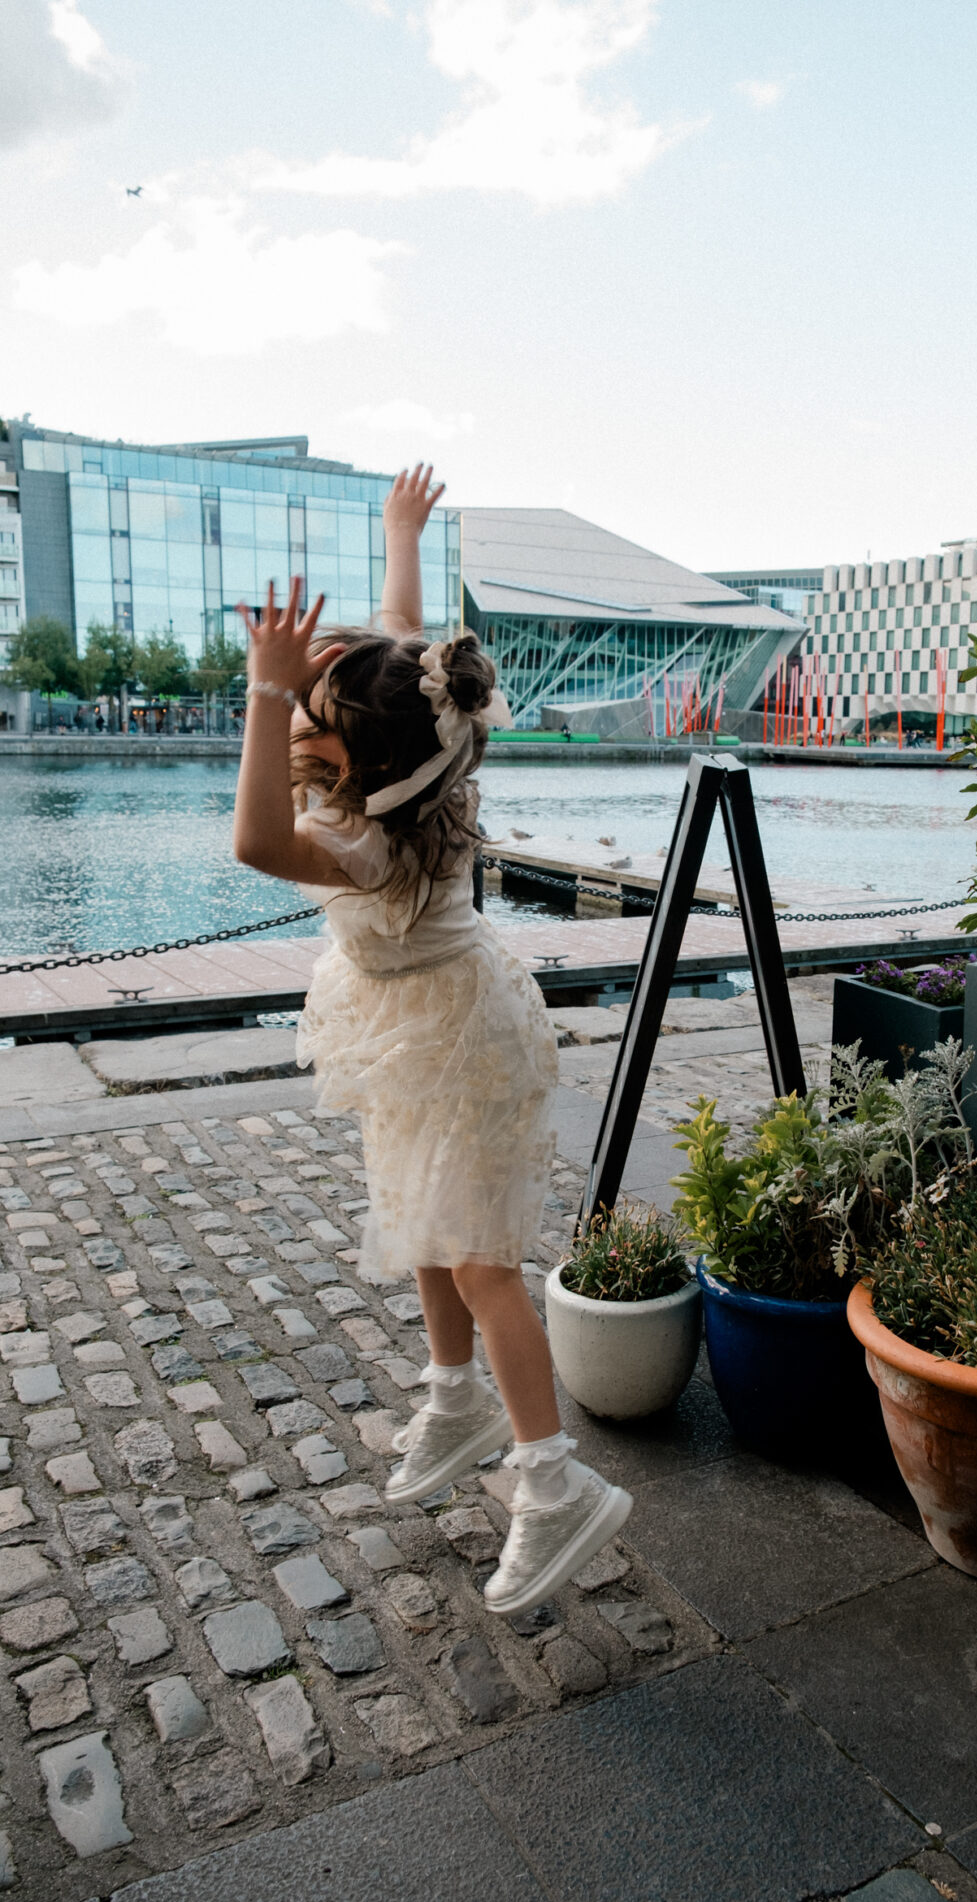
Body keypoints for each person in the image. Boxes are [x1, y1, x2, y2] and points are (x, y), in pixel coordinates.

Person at [231, 465, 632, 1616]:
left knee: (479, 1255)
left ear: (360, 764)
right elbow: (404, 639)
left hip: (457, 1037)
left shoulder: (359, 843)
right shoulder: (423, 764)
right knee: (419, 1217)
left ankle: (553, 1485)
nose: (304, 720)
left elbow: (258, 840)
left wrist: (265, 697)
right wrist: (401, 533)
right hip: (418, 1026)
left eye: (317, 725)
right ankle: (454, 1400)